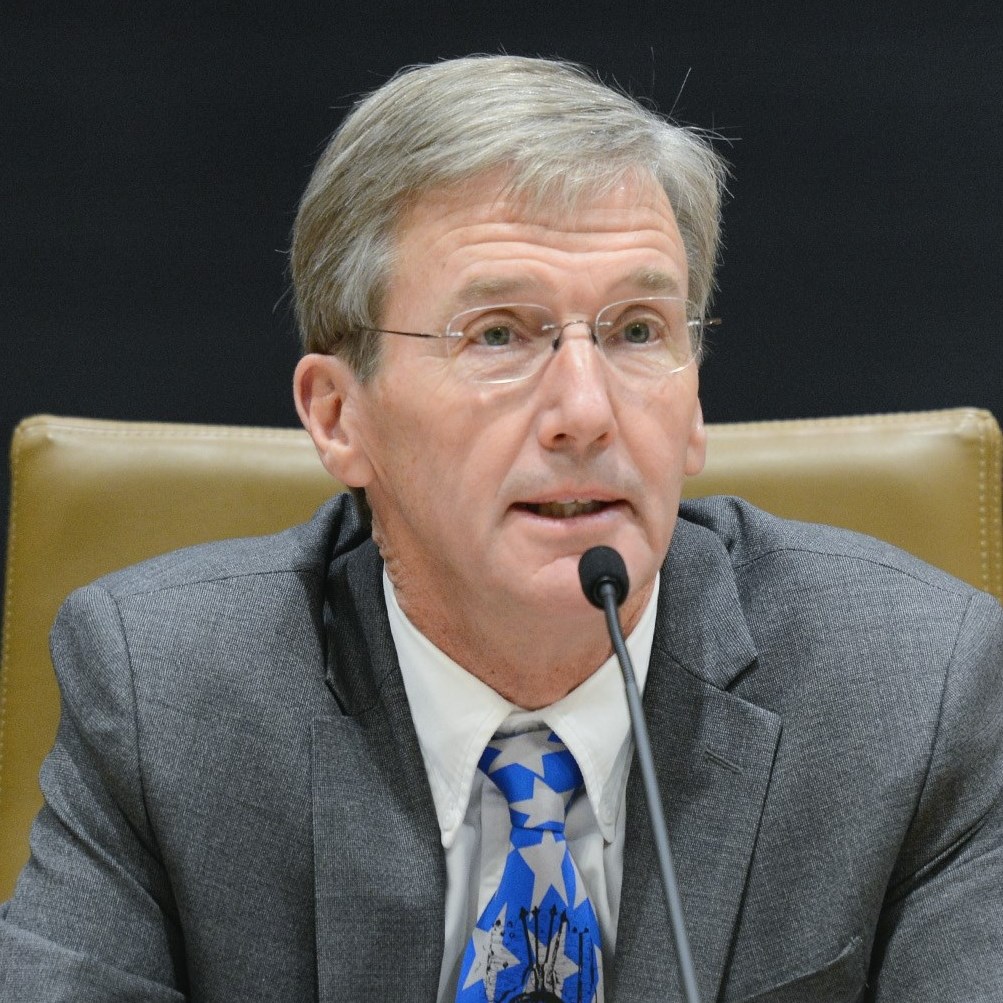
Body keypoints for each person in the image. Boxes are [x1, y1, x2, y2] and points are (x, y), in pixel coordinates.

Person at [1, 54, 1001, 1003]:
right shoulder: (166, 698)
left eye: (637, 330)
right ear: (338, 416)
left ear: (694, 401)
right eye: (498, 334)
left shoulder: (914, 690)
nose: (586, 411)